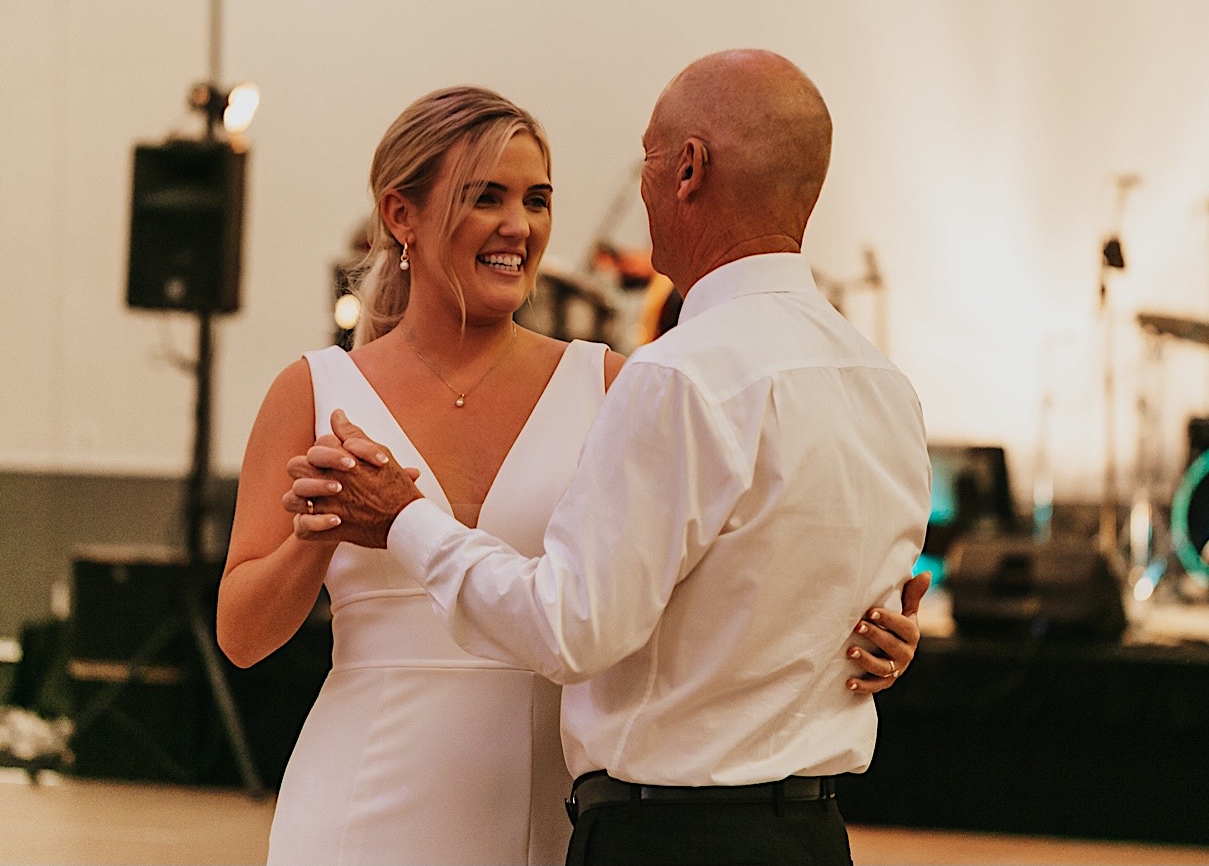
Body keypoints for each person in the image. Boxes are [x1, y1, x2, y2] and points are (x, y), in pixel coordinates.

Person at [216, 84, 924, 866]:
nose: (519, 226)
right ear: (400, 215)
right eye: (486, 197)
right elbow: (243, 636)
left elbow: (715, 572)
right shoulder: (315, 389)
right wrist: (318, 535)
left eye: (538, 198)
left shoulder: (617, 383)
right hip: (363, 798)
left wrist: (851, 628)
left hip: (565, 812)